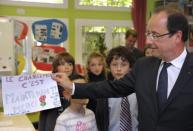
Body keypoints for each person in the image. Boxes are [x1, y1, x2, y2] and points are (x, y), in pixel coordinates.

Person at [52, 6, 193, 131]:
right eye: (148, 34)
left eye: (155, 35)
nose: (148, 41)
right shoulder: (144, 66)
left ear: (177, 36)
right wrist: (72, 86)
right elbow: (112, 88)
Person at [96, 46, 138, 131]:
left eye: (123, 65)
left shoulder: (138, 90)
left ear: (130, 67)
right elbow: (100, 119)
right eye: (114, 65)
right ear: (109, 67)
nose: (118, 69)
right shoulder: (105, 91)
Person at [39, 52, 83, 131]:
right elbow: (43, 108)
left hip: (70, 122)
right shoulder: (48, 84)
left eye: (70, 64)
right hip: (52, 119)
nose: (67, 67)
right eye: (62, 64)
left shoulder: (77, 83)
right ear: (55, 67)